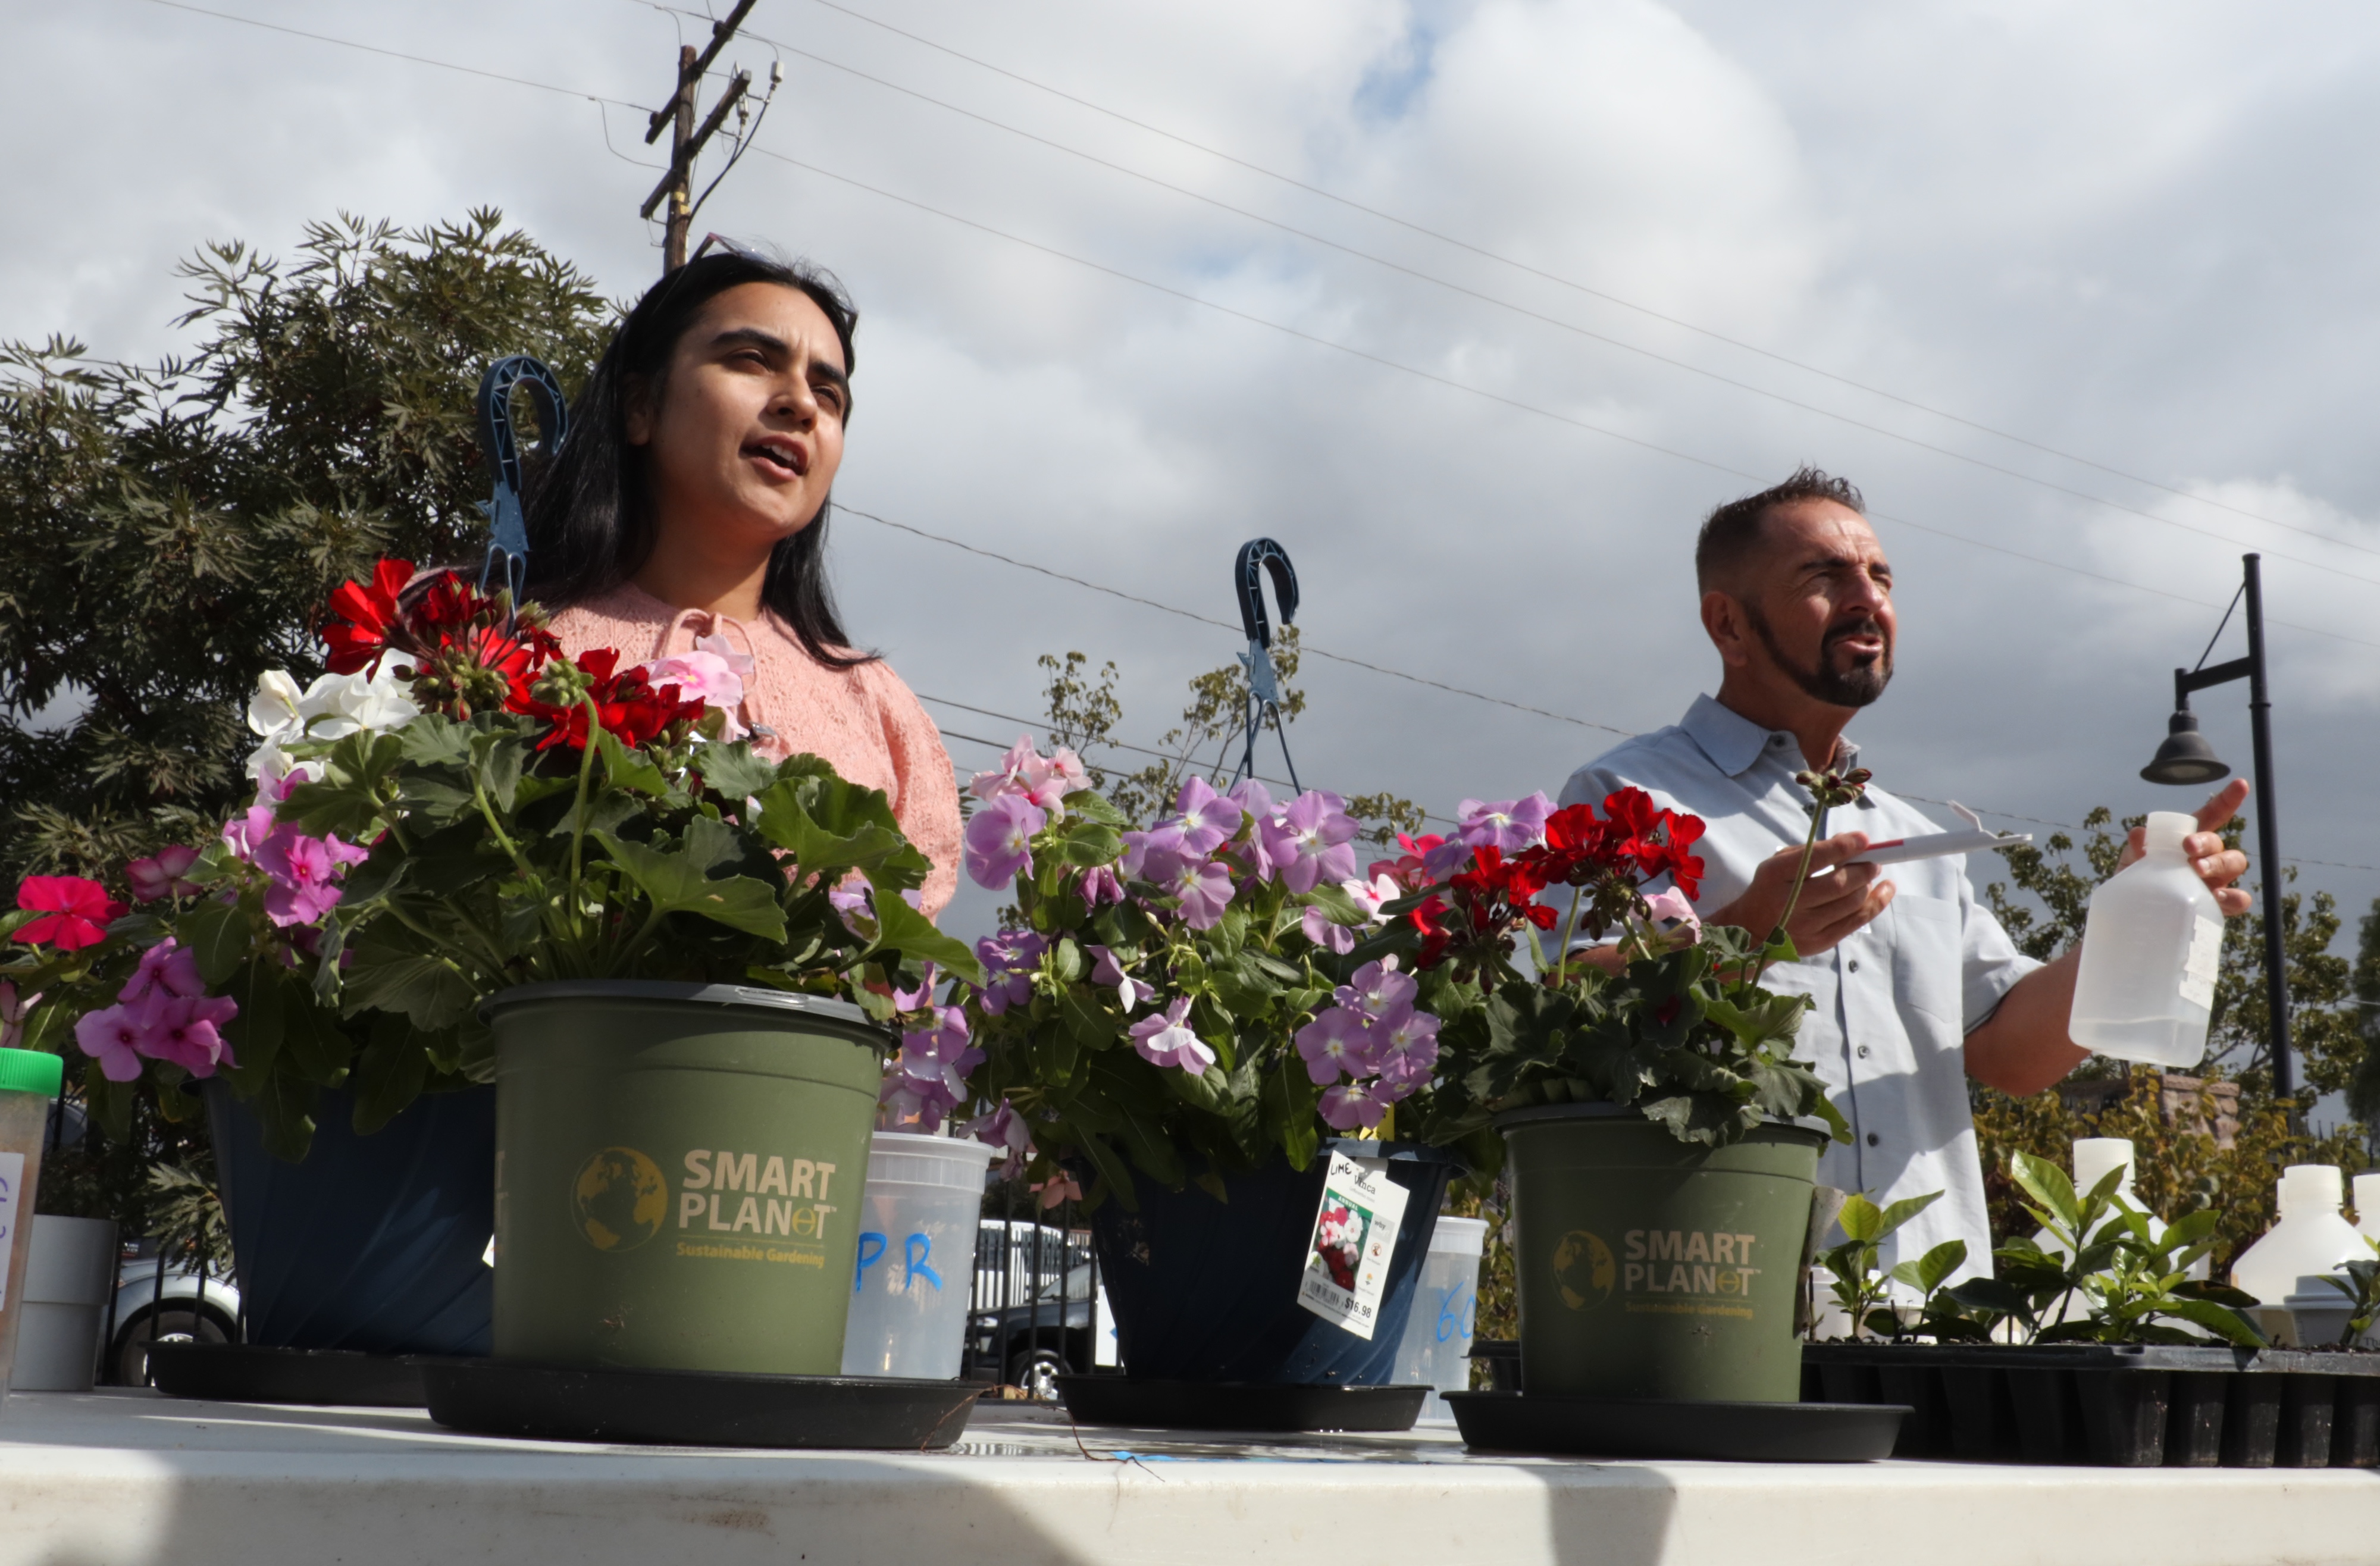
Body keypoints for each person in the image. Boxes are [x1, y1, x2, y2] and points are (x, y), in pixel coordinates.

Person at [1557, 467, 2253, 1280]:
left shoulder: (1912, 838)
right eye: (1824, 576)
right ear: (1729, 626)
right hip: (1720, 1307)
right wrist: (1744, 933)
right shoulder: (1627, 797)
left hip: (1929, 1318)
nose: (1867, 597)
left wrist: (2135, 912)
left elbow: (2010, 1056)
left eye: (1880, 575)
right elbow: (1561, 1018)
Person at [519, 246, 962, 919]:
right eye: (752, 361)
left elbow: (893, 974)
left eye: (829, 393)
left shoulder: (881, 708)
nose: (801, 405)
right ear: (640, 405)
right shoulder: (493, 639)